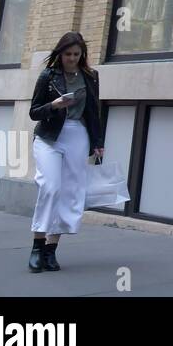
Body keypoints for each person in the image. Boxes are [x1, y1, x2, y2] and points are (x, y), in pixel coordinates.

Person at [28, 31, 105, 272]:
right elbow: (33, 112)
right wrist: (53, 105)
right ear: (60, 54)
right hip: (49, 136)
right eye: (67, 54)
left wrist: (97, 141)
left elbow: (94, 111)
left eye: (76, 54)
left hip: (77, 135)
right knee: (50, 187)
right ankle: (37, 246)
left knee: (70, 192)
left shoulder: (91, 77)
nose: (71, 58)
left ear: (82, 55)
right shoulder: (48, 76)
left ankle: (51, 249)